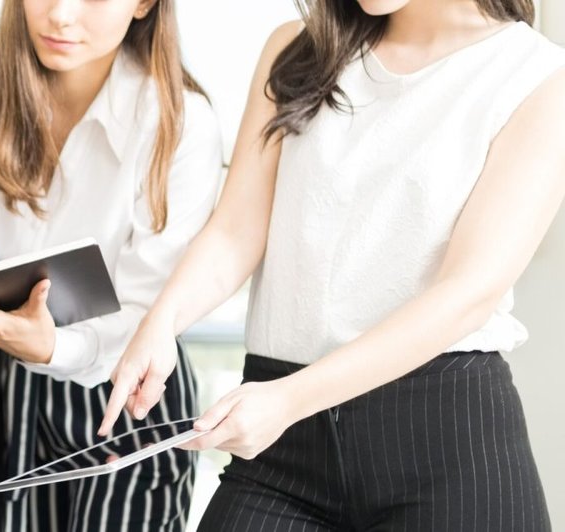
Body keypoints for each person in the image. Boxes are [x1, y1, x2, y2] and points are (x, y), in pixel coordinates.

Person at [101, 0, 563, 530]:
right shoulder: (297, 48)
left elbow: (468, 292)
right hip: (282, 446)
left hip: (445, 439)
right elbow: (235, 230)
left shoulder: (537, 78)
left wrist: (291, 400)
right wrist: (161, 322)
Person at [0, 0, 220, 529]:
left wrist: (52, 346)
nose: (60, 14)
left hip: (130, 393)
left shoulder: (180, 124)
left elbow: (148, 315)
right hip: (4, 384)